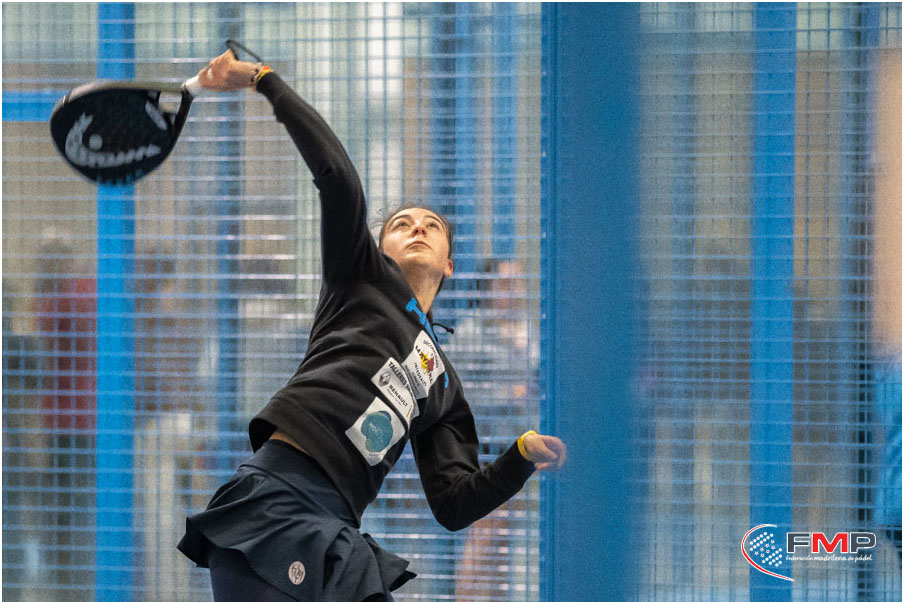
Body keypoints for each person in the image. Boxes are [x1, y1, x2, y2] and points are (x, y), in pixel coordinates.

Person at [177, 51, 567, 602]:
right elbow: (337, 179)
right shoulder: (358, 278)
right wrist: (265, 80)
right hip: (273, 504)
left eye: (431, 226)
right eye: (401, 224)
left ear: (449, 265)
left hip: (337, 528)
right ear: (380, 249)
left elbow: (454, 502)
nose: (417, 229)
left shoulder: (443, 383)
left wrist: (519, 458)